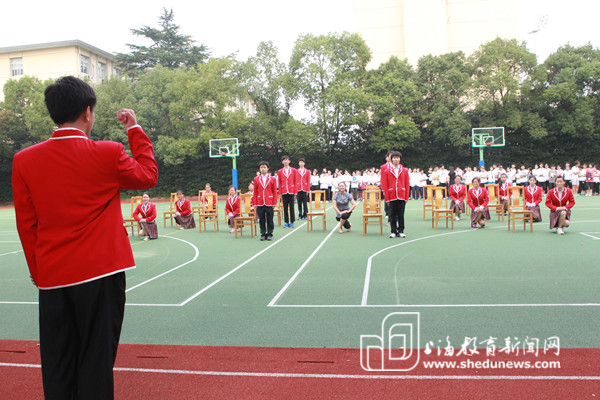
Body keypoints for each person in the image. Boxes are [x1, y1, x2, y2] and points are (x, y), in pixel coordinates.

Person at [12, 76, 158, 399]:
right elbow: (148, 175)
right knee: (96, 363)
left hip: (53, 278)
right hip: (101, 274)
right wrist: (134, 129)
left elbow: (27, 225)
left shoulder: (23, 161)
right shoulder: (107, 154)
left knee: (58, 365)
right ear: (88, 113)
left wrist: (39, 273)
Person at [380, 151, 410, 238]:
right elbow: (385, 185)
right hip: (391, 194)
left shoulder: (404, 170)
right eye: (394, 158)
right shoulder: (387, 171)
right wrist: (387, 198)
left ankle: (401, 230)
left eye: (398, 158)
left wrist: (406, 197)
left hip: (401, 194)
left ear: (400, 159)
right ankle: (393, 231)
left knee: (401, 214)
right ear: (391, 159)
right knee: (392, 214)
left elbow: (407, 184)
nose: (396, 159)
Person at [253, 161, 278, 241]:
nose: (263, 169)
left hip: (269, 201)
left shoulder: (273, 179)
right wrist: (255, 203)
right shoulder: (256, 179)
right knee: (262, 219)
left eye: (264, 167)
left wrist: (274, 202)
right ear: (259, 169)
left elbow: (274, 191)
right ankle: (263, 234)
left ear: (268, 168)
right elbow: (255, 192)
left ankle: (270, 233)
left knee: (270, 219)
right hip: (260, 201)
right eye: (261, 167)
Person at [278, 155, 298, 227]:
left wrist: (295, 192)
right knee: (285, 207)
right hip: (284, 191)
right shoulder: (280, 171)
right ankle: (286, 222)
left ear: (289, 161)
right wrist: (280, 193)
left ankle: (292, 221)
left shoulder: (294, 170)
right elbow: (279, 182)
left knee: (292, 207)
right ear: (282, 162)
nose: (285, 161)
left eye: (287, 160)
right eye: (284, 160)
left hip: (291, 190)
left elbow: (295, 181)